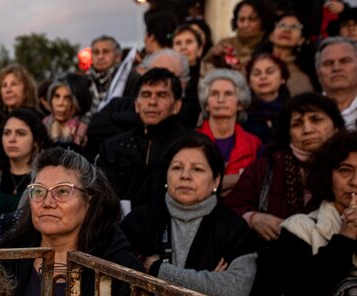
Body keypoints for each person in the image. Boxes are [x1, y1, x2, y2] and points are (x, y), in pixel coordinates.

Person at [120, 135, 258, 296]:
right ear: (166, 176)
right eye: (177, 167)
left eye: (197, 169)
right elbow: (121, 288)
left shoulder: (234, 229)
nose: (185, 175)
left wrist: (158, 270)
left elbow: (234, 295)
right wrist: (206, 288)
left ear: (216, 180)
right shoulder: (139, 220)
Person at [0, 147, 142, 296]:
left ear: (89, 201)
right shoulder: (7, 257)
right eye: (39, 191)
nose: (48, 202)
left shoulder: (120, 269)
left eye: (62, 192)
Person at [260, 131, 357, 296]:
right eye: (345, 170)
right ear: (328, 175)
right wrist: (346, 236)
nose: (355, 181)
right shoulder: (299, 228)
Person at [226, 93, 344, 242]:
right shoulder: (263, 168)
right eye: (297, 124)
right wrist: (252, 218)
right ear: (288, 133)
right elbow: (228, 210)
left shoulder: (351, 167)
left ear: (336, 127)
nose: (307, 129)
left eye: (316, 120)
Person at [97, 68, 198, 211]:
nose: (152, 101)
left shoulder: (194, 146)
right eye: (146, 94)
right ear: (136, 105)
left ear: (177, 106)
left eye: (161, 95)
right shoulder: (113, 147)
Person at [0, 108, 52, 246]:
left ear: (36, 140)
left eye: (21, 133)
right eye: (7, 133)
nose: (12, 139)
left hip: (29, 256)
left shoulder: (44, 180)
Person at [197, 69, 262, 196]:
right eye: (214, 94)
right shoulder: (190, 141)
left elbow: (258, 186)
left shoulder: (255, 145)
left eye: (228, 94)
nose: (221, 100)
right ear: (206, 104)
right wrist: (238, 179)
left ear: (240, 104)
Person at [201, 0, 275, 75]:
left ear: (262, 21)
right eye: (242, 20)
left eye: (252, 19)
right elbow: (204, 70)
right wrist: (214, 57)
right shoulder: (226, 43)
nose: (246, 24)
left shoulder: (270, 44)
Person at [254, 12, 317, 96]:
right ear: (271, 36)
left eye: (294, 27)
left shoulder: (304, 77)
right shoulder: (253, 66)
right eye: (282, 25)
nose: (286, 30)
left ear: (301, 40)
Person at [243, 53, 291, 143]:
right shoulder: (242, 115)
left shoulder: (293, 110)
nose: (263, 77)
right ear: (249, 82)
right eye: (256, 73)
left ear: (283, 78)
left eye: (269, 72)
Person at [316, 37, 357, 130]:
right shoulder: (307, 111)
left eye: (345, 61)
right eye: (328, 63)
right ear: (318, 73)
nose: (336, 68)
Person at [43, 74, 92, 150]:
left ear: (78, 102)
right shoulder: (43, 125)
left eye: (67, 98)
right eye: (56, 96)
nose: (60, 103)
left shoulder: (88, 129)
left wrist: (59, 139)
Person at [87, 35, 122, 116]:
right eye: (96, 52)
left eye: (105, 52)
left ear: (117, 57)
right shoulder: (83, 82)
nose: (100, 57)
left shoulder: (126, 79)